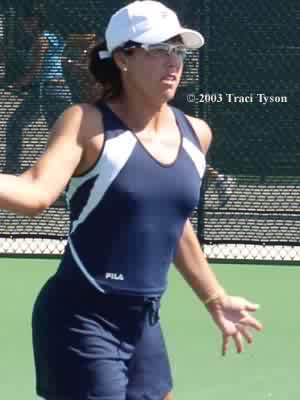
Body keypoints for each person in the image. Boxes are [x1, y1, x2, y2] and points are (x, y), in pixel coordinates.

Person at [0, 2, 262, 399]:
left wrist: (215, 297)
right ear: (123, 57)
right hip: (79, 319)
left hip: (143, 326)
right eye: (158, 50)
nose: (173, 62)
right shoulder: (87, 122)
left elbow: (172, 223)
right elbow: (36, 192)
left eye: (178, 50)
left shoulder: (197, 133)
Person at [4, 11, 72, 174]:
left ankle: (13, 167)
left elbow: (35, 69)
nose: (24, 25)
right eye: (24, 21)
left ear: (36, 21)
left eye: (28, 21)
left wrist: (16, 85)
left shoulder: (42, 39)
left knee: (16, 125)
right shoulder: (54, 37)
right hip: (50, 89)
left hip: (48, 88)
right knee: (57, 131)